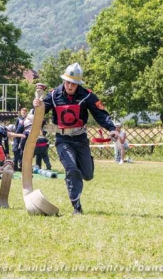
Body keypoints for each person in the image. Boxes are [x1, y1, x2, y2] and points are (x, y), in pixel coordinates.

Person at [33, 63, 119, 215]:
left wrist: (111, 129)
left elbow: (101, 114)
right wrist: (37, 106)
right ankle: (76, 206)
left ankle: (86, 164)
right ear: (63, 80)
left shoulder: (87, 95)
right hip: (63, 140)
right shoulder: (54, 95)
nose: (70, 86)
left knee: (87, 174)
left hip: (80, 139)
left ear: (78, 83)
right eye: (67, 82)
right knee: (71, 169)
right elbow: (39, 111)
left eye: (73, 83)